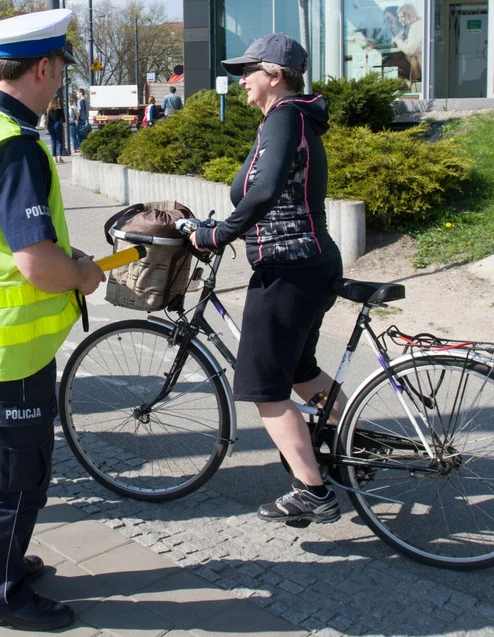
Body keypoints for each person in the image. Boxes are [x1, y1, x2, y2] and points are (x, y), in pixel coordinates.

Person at [0, 8, 105, 631]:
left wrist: (63, 259)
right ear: (41, 67)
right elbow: (35, 263)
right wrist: (82, 275)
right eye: (60, 71)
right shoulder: (14, 147)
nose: (61, 83)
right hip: (10, 343)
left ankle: (5, 561)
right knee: (10, 475)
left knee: (21, 464)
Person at [188, 33, 344, 526]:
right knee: (300, 372)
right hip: (309, 265)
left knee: (264, 388)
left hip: (289, 269)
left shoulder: (285, 118)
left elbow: (264, 193)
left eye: (247, 72)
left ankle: (313, 492)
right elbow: (255, 189)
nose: (241, 82)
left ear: (275, 75)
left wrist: (217, 235)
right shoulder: (288, 119)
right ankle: (353, 437)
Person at [392, 3, 424, 87]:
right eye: (399, 17)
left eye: (402, 17)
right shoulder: (421, 23)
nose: (400, 20)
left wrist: (398, 41)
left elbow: (409, 51)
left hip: (421, 69)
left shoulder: (415, 26)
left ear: (411, 15)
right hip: (422, 68)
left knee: (391, 63)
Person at [45, 96, 65, 162]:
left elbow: (47, 118)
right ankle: (59, 156)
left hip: (51, 124)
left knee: (53, 141)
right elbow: (63, 119)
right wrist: (63, 127)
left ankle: (54, 157)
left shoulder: (49, 108)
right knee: (59, 141)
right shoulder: (60, 108)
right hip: (58, 124)